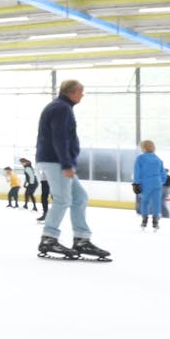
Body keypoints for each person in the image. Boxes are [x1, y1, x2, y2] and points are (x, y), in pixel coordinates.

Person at [35, 80, 109, 259]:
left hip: (58, 160)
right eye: (81, 92)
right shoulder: (61, 108)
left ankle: (82, 239)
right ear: (72, 92)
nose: (82, 95)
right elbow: (60, 138)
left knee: (79, 197)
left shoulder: (61, 107)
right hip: (55, 161)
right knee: (63, 199)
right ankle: (49, 238)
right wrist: (66, 164)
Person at [134, 139, 166, 231]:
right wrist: (160, 182)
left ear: (143, 148)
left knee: (145, 201)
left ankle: (144, 221)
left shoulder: (140, 158)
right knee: (156, 202)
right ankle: (155, 222)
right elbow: (163, 174)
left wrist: (136, 183)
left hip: (145, 182)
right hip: (157, 182)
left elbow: (137, 172)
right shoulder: (158, 159)